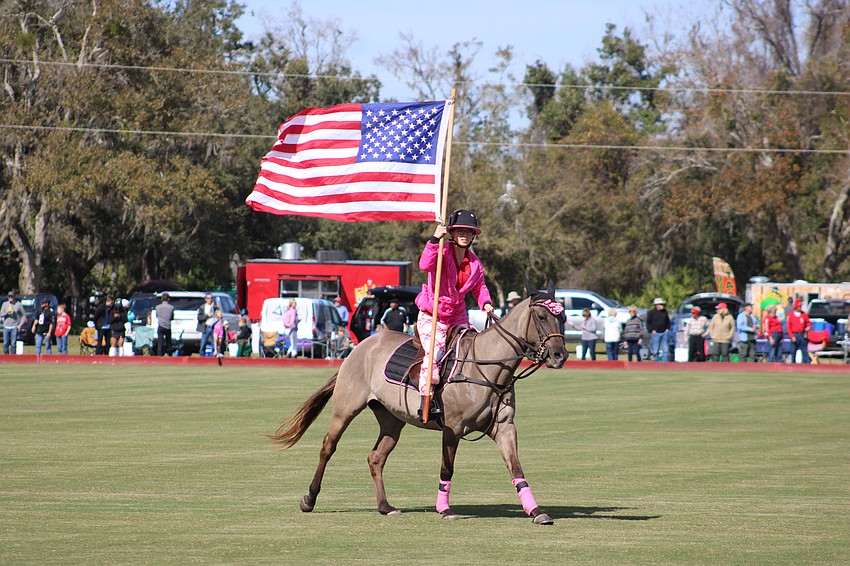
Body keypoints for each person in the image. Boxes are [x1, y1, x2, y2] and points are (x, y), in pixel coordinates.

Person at [415, 209, 494, 418]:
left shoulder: (475, 263)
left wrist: (485, 303)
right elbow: (424, 264)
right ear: (451, 232)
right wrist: (434, 239)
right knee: (435, 355)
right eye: (460, 230)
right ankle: (427, 400)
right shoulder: (441, 250)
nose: (464, 235)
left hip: (458, 317)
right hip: (432, 315)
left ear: (473, 236)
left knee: (472, 349)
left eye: (468, 232)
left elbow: (480, 288)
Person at [786, 298, 811, 364]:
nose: (800, 308)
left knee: (804, 351)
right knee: (793, 352)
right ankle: (793, 365)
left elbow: (808, 323)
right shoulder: (790, 315)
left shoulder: (804, 314)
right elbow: (788, 327)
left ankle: (804, 364)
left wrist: (808, 327)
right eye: (799, 306)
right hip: (794, 335)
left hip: (802, 334)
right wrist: (792, 336)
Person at [646, 297, 671, 361]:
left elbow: (668, 321)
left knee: (665, 350)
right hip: (655, 333)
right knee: (655, 350)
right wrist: (651, 330)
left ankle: (665, 363)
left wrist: (667, 328)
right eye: (661, 304)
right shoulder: (651, 312)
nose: (663, 306)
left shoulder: (664, 312)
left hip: (664, 333)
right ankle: (656, 363)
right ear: (657, 305)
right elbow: (648, 323)